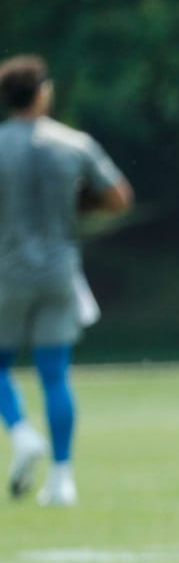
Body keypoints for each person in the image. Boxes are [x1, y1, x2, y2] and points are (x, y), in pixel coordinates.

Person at [0, 54, 134, 506]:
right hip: (60, 269)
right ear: (42, 92)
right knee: (54, 373)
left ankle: (21, 433)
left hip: (7, 269)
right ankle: (61, 479)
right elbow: (118, 196)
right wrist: (77, 206)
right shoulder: (72, 142)